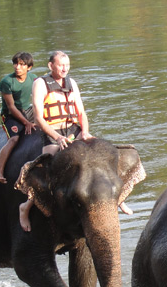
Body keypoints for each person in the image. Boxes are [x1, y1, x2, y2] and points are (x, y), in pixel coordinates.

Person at [18, 50, 132, 232]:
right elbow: (39, 118)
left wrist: (85, 132)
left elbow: (81, 112)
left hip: (73, 128)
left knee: (101, 153)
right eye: (61, 65)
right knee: (47, 166)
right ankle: (26, 206)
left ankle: (119, 198)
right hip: (52, 130)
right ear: (51, 66)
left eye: (67, 65)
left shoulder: (71, 83)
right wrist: (57, 138)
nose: (65, 69)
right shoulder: (41, 83)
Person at [0, 52, 37, 183]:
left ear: (29, 67)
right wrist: (26, 123)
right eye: (15, 63)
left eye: (22, 64)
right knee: (14, 139)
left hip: (27, 110)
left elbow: (39, 99)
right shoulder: (7, 82)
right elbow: (11, 107)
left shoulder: (34, 79)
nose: (17, 67)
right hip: (11, 114)